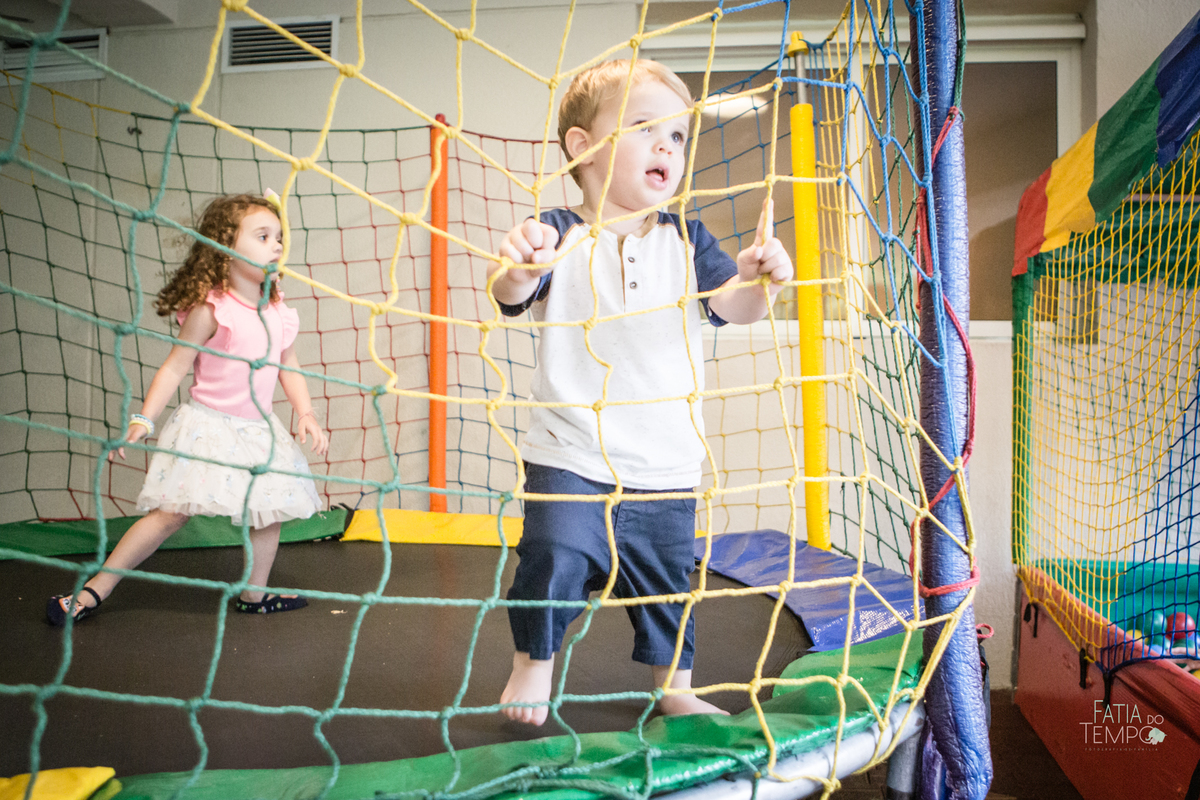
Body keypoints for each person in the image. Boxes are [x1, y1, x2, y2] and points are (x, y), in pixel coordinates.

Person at [488, 59, 794, 724]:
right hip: (572, 452)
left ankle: (673, 684)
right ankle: (532, 666)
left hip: (665, 461)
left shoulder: (688, 241)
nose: (667, 146)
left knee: (666, 583)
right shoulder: (557, 233)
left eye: (679, 137)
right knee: (553, 556)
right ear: (582, 145)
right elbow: (510, 293)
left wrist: (762, 280)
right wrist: (518, 265)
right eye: (646, 128)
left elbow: (734, 309)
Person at [46, 193, 329, 626]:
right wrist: (143, 419)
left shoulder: (277, 307)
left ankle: (254, 593)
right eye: (263, 236)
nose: (276, 246)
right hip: (209, 427)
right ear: (225, 247)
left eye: (279, 237)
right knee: (171, 514)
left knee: (269, 512)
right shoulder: (213, 309)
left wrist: (305, 412)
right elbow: (175, 367)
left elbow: (288, 365)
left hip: (258, 431)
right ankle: (91, 592)